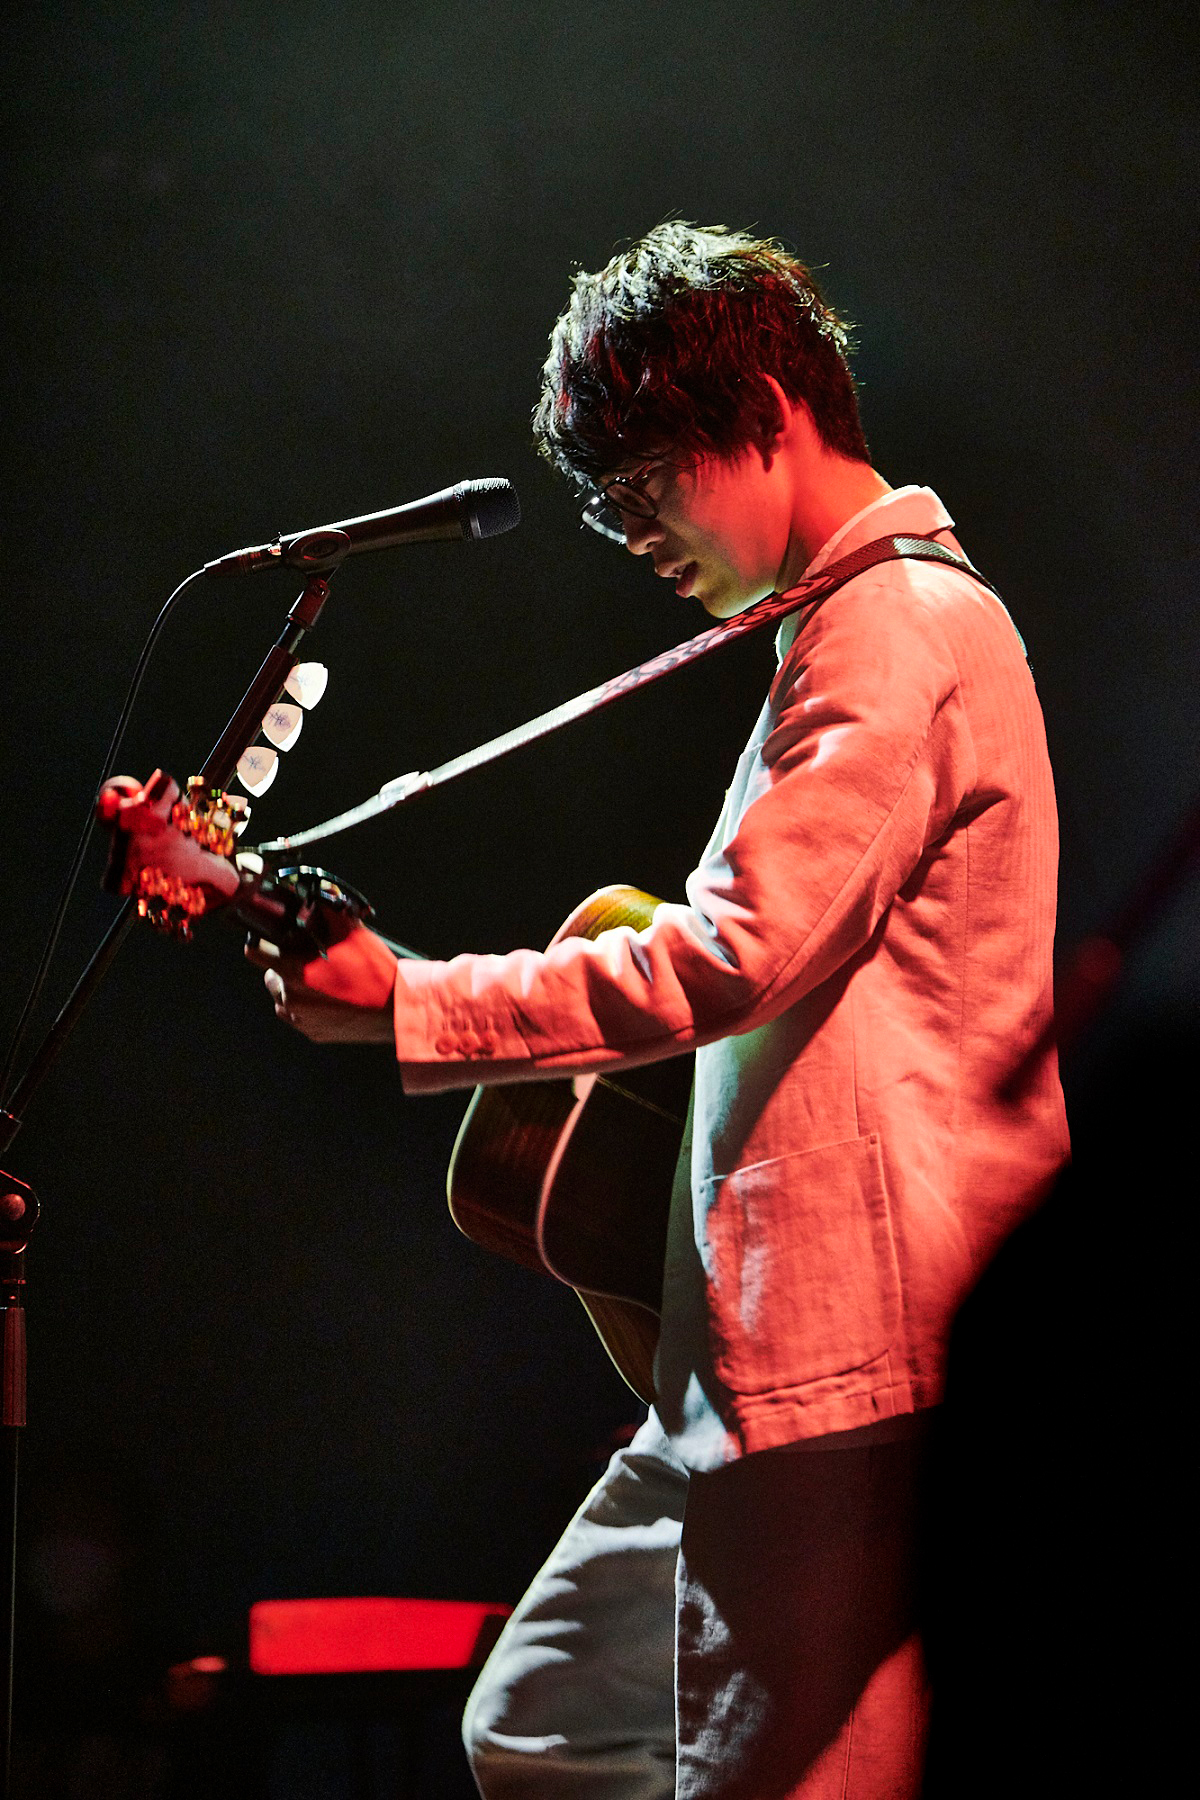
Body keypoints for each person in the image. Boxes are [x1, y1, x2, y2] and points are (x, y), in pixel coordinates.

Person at [251, 223, 1070, 1798]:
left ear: (764, 410)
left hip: (855, 1350)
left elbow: (732, 954)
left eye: (641, 485)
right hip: (762, 1354)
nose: (628, 534)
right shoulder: (843, 629)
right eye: (607, 503)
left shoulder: (899, 626)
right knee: (541, 1727)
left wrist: (408, 1001)